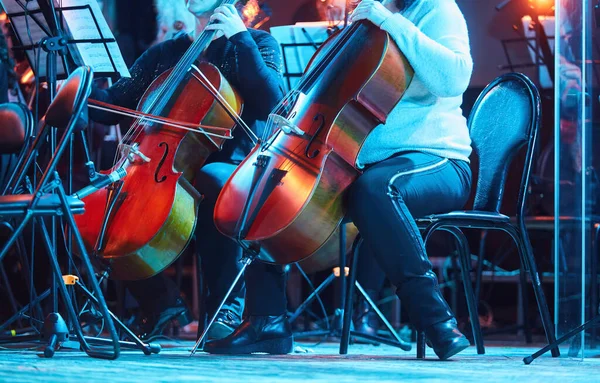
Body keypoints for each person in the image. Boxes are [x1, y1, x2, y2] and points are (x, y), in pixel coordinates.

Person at [206, 0, 474, 360]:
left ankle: (436, 320)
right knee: (274, 189)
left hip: (436, 158)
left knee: (376, 189)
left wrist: (391, 23)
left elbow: (455, 78)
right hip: (365, 161)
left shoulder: (436, 10)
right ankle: (266, 321)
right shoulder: (366, 21)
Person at [89, 0, 284, 341]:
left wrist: (239, 36)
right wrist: (73, 82)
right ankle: (160, 301)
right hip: (165, 168)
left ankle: (226, 305)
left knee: (211, 180)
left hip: (234, 165)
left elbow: (274, 102)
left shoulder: (256, 44)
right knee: (98, 204)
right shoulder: (167, 53)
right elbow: (113, 103)